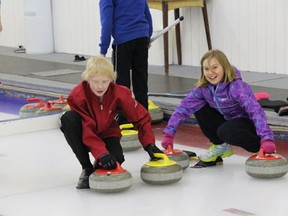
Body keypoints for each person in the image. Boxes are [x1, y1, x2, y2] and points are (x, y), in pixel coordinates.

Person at [60, 55, 162, 189]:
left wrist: (149, 144)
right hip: (84, 133)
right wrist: (102, 154)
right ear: (88, 79)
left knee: (116, 159)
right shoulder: (78, 96)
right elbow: (87, 130)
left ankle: (99, 164)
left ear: (111, 80)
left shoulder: (120, 93)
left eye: (105, 81)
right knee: (68, 119)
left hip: (108, 132)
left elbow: (141, 117)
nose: (100, 86)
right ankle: (87, 167)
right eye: (95, 81)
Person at [161, 49, 276, 163]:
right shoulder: (204, 89)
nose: (210, 73)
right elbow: (183, 108)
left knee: (226, 131)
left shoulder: (237, 87)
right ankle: (221, 146)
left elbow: (256, 111)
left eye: (215, 67)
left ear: (224, 67)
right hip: (227, 121)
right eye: (206, 69)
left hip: (247, 125)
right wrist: (169, 133)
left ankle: (259, 146)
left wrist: (267, 139)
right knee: (198, 106)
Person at [99, 0, 153, 124]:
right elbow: (147, 13)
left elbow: (107, 21)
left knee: (121, 81)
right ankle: (143, 115)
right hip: (141, 38)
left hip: (123, 40)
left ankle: (123, 117)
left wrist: (103, 49)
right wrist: (147, 36)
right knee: (141, 79)